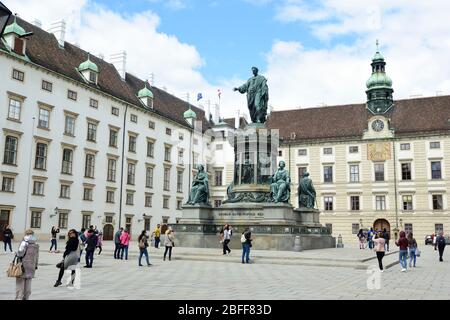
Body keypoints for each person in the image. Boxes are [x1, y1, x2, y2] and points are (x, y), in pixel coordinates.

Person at [15, 229, 39, 300]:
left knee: (20, 283)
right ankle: (26, 297)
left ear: (26, 234)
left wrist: (16, 253)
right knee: (28, 283)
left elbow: (20, 253)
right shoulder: (36, 244)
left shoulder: (24, 242)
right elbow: (37, 256)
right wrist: (35, 265)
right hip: (31, 266)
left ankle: (19, 298)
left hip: (22, 265)